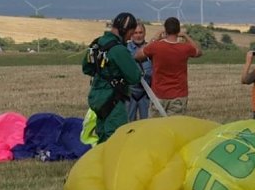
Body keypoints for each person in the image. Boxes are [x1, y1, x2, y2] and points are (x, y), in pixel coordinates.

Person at [82, 12, 142, 143]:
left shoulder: (97, 44)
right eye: (131, 33)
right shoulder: (118, 50)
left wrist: (104, 73)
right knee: (116, 137)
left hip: (97, 97)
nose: (130, 38)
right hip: (112, 99)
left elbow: (86, 68)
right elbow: (134, 77)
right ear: (124, 30)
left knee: (102, 135)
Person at [134, 17, 201, 115]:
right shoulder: (185, 48)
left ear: (165, 30)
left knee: (156, 124)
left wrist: (154, 39)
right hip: (178, 95)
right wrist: (185, 36)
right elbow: (198, 51)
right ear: (178, 30)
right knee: (175, 124)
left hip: (159, 94)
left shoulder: (155, 47)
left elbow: (137, 55)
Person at [126, 21, 152, 121]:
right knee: (129, 123)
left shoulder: (151, 49)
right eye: (135, 33)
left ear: (144, 33)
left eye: (140, 32)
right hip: (130, 93)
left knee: (147, 124)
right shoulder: (125, 48)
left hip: (146, 93)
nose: (138, 35)